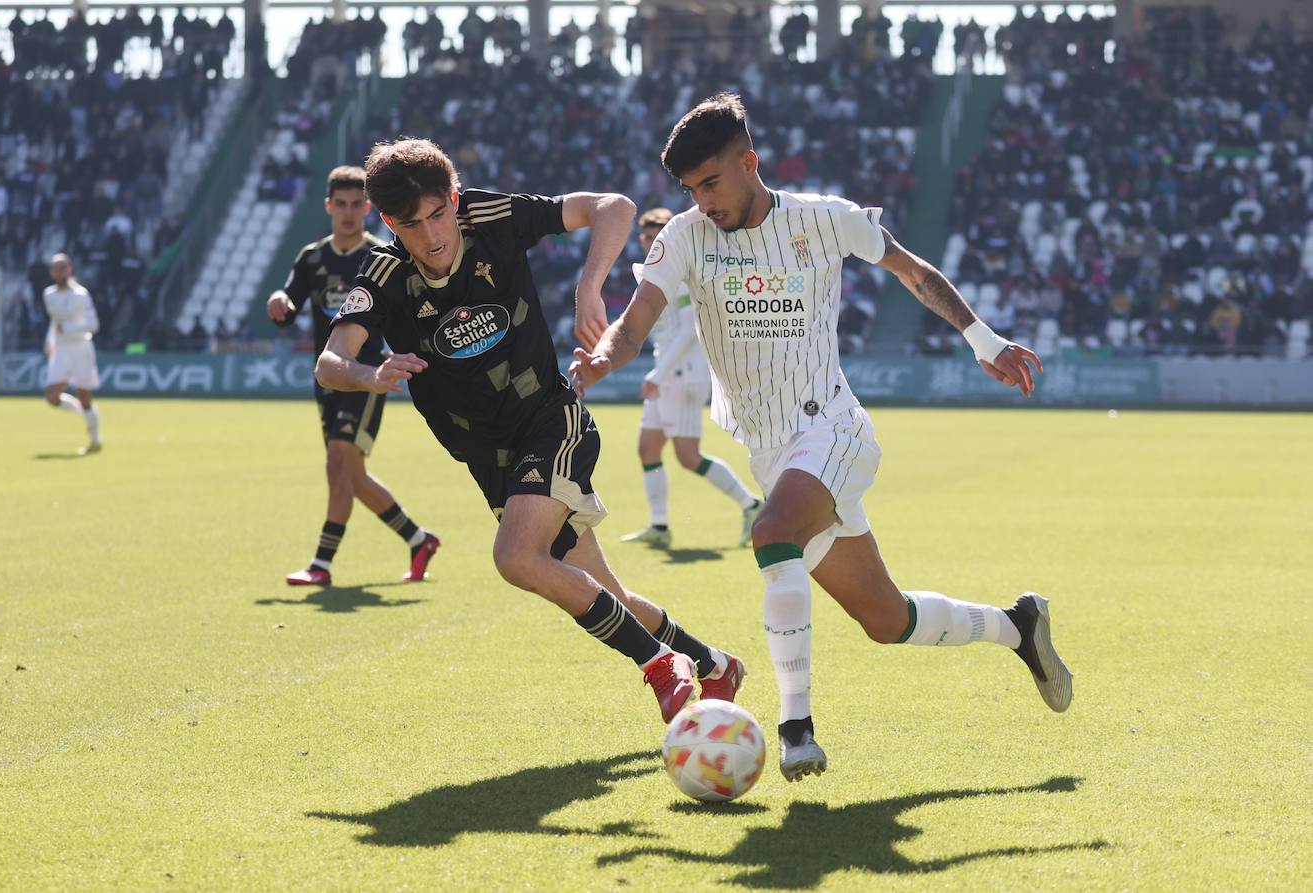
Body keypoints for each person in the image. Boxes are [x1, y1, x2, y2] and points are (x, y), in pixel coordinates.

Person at [571, 94, 1071, 780]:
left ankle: (795, 725)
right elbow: (636, 320)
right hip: (775, 453)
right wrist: (603, 357)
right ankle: (1019, 625)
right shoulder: (684, 236)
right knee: (886, 618)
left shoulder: (824, 219)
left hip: (834, 428)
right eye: (690, 189)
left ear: (749, 162)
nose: (702, 200)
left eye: (711, 182)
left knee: (771, 531)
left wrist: (982, 340)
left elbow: (913, 272)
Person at [315, 138, 743, 722]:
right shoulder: (384, 274)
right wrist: (370, 373)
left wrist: (589, 285)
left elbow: (612, 207)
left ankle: (661, 665)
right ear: (389, 222)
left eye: (440, 214)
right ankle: (715, 663)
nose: (434, 235)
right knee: (600, 592)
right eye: (412, 225)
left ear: (454, 198)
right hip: (489, 457)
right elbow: (330, 363)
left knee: (517, 556)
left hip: (550, 420)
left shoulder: (490, 216)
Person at [267, 166, 439, 587]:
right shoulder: (312, 257)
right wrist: (280, 301)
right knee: (350, 474)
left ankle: (321, 564)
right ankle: (418, 539)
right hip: (328, 375)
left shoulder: (381, 256)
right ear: (328, 206)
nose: (348, 212)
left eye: (356, 204)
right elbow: (289, 300)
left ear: (369, 208)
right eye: (340, 204)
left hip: (367, 374)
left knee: (339, 458)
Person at [620, 207, 763, 549]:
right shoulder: (655, 271)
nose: (648, 241)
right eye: (644, 235)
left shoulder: (681, 271)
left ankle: (753, 506)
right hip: (667, 372)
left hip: (682, 374)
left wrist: (659, 372)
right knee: (648, 448)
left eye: (656, 235)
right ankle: (659, 525)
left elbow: (689, 330)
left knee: (688, 455)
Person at [42, 253, 102, 454]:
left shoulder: (80, 294)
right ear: (51, 272)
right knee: (51, 396)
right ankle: (79, 411)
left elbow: (93, 325)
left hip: (80, 347)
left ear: (69, 270)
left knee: (85, 394)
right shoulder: (48, 294)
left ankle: (95, 441)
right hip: (61, 349)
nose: (59, 272)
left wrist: (69, 329)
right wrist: (49, 340)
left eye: (62, 268)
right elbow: (55, 322)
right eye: (55, 268)